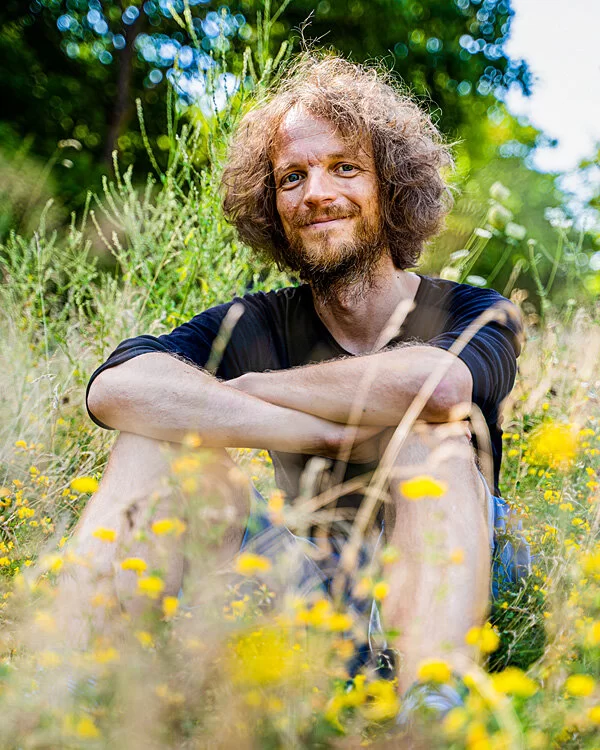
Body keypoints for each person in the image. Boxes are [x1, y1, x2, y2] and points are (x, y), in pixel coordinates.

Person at [71, 55, 526, 708]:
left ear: (390, 186)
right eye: (292, 176)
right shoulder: (251, 323)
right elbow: (114, 391)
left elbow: (442, 385)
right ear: (272, 205)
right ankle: (80, 686)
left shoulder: (473, 310)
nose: (316, 193)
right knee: (152, 441)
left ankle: (432, 706)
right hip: (313, 584)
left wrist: (242, 391)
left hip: (463, 563)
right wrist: (315, 429)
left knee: (429, 443)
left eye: (345, 167)